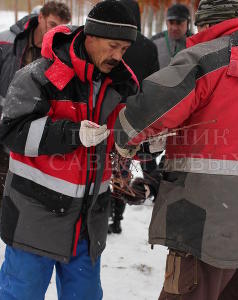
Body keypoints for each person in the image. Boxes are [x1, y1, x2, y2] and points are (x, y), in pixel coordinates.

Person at [114, 0, 238, 299]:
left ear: (207, 26)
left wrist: (119, 139)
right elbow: (229, 152)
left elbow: (145, 112)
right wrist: (156, 180)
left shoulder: (207, 57)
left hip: (206, 227)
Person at [0, 1, 138, 299]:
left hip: (87, 224)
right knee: (20, 295)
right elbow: (11, 133)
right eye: (113, 46)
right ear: (90, 37)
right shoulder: (38, 76)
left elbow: (122, 135)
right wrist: (72, 134)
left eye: (124, 50)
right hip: (33, 219)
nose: (117, 56)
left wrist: (140, 144)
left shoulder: (121, 84)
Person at [0, 1, 71, 204]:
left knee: (16, 190)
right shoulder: (7, 41)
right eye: (51, 24)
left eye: (60, 27)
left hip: (30, 131)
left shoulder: (60, 54)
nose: (55, 31)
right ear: (40, 17)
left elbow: (58, 92)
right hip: (3, 124)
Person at [107, 0, 159, 234]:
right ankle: (117, 216)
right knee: (123, 166)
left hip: (108, 111)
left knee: (104, 164)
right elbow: (154, 85)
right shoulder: (148, 47)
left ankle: (106, 209)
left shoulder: (112, 42)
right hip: (134, 116)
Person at [151, 3, 191, 69]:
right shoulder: (154, 42)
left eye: (179, 22)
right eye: (171, 22)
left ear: (188, 22)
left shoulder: (196, 43)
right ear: (166, 22)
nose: (174, 28)